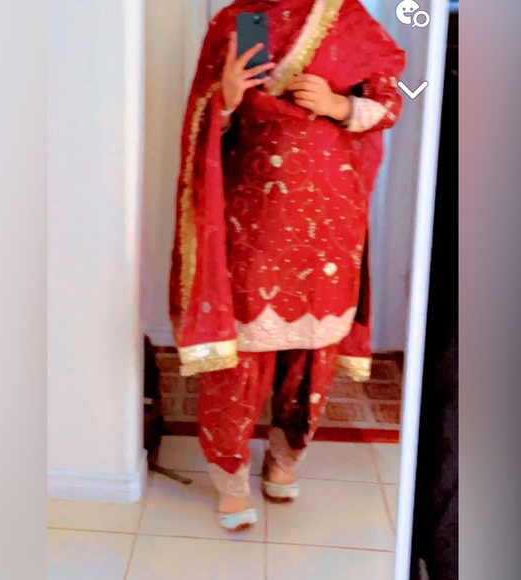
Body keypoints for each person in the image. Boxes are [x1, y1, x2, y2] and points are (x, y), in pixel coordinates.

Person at [169, 0, 406, 531]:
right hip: (252, 214)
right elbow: (202, 126)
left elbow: (393, 101)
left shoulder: (352, 20)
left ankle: (285, 456)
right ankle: (231, 477)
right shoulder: (233, 22)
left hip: (330, 217)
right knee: (241, 354)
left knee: (312, 354)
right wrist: (228, 97)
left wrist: (340, 106)